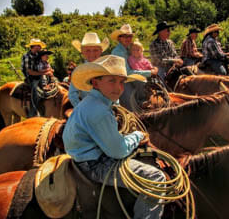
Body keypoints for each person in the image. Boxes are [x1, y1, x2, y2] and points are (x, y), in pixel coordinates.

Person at [63, 55, 165, 219]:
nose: (118, 88)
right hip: (94, 164)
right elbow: (118, 151)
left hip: (83, 156)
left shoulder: (91, 102)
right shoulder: (100, 111)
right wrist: (137, 135)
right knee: (156, 177)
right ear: (95, 83)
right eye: (111, 81)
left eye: (121, 82)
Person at [111, 24, 157, 109]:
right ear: (119, 38)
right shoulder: (118, 52)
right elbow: (127, 73)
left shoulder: (128, 48)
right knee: (130, 101)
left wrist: (150, 67)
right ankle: (137, 107)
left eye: (129, 36)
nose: (127, 38)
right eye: (124, 36)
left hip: (128, 77)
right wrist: (149, 72)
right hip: (121, 80)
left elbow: (140, 58)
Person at [68, 32, 109, 107]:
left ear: (101, 51)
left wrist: (113, 105)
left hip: (107, 106)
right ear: (82, 52)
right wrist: (81, 108)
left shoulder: (108, 69)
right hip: (88, 107)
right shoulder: (79, 71)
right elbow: (72, 94)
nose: (92, 53)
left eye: (95, 50)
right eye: (88, 50)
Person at [21, 38, 47, 117]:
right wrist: (43, 72)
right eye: (39, 46)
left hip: (39, 76)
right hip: (31, 77)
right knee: (36, 91)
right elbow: (29, 71)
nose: (40, 47)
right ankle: (33, 113)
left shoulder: (38, 55)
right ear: (34, 46)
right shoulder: (27, 56)